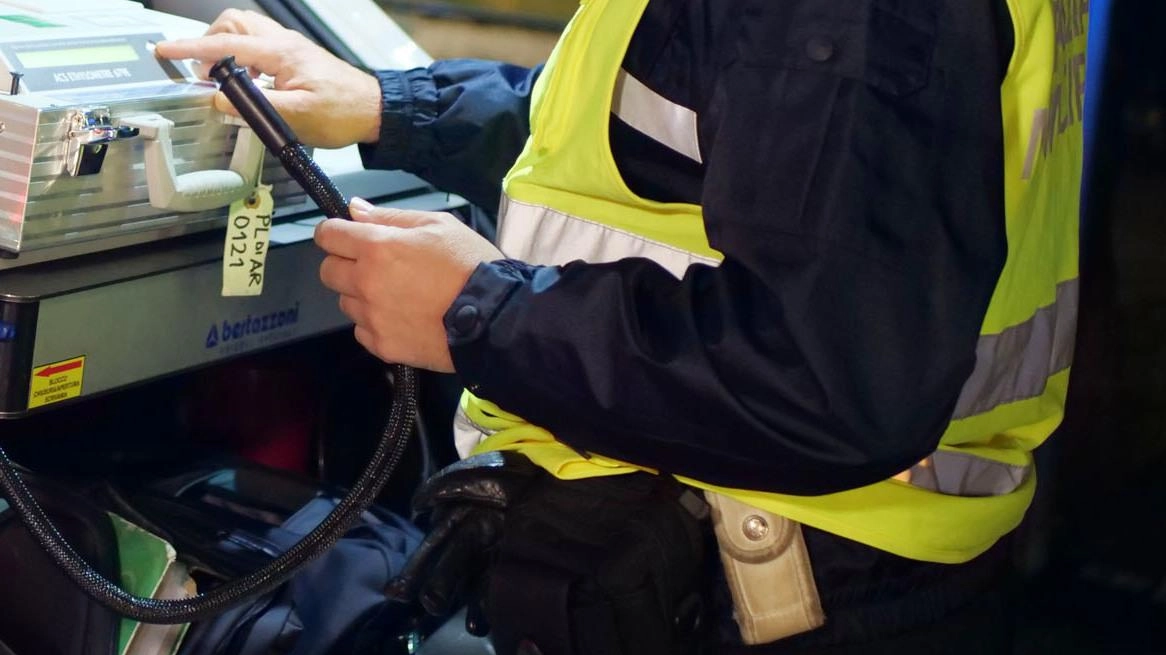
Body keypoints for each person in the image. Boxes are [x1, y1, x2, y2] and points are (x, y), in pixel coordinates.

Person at [157, 0, 1088, 652]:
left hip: (783, 589)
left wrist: (481, 313)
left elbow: (822, 376)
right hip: (785, 563)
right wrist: (393, 108)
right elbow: (667, 132)